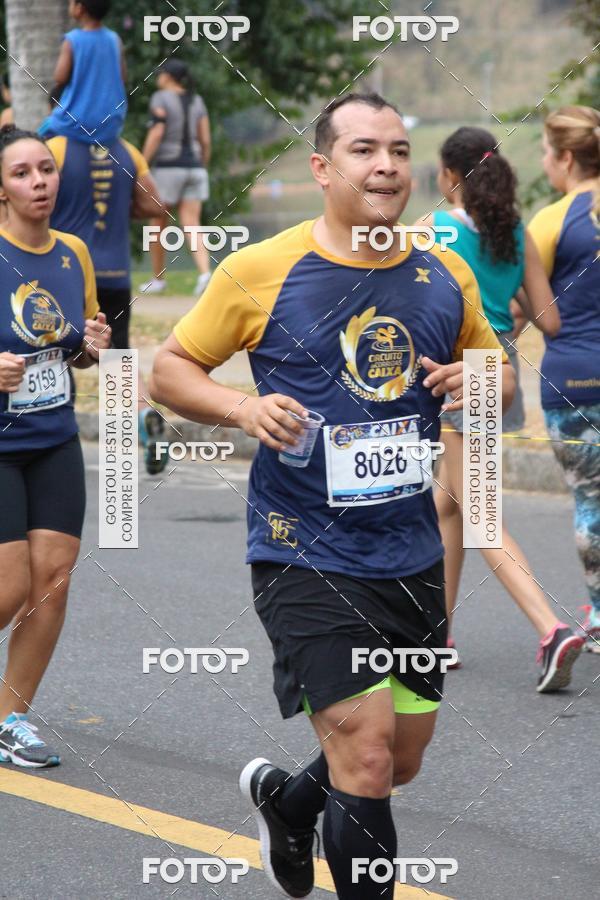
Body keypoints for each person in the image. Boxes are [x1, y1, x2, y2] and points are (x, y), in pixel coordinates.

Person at [150, 93, 515, 899]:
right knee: (370, 755)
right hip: (301, 550)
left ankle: (289, 801)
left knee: (400, 758)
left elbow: (499, 373)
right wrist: (242, 407)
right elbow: (168, 369)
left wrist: (478, 380)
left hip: (411, 552)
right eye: (362, 150)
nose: (384, 164)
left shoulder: (442, 271)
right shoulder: (259, 270)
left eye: (396, 149)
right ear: (323, 167)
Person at [418, 126, 584, 692]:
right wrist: (503, 306)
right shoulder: (515, 232)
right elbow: (550, 319)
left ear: (448, 177)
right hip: (498, 372)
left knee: (480, 514)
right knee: (449, 503)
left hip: (455, 375)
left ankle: (550, 629)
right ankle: (435, 637)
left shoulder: (433, 228)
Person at [0, 125, 111, 766]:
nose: (39, 182)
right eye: (22, 173)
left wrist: (91, 347)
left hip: (53, 437)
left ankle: (11, 717)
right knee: (9, 583)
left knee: (54, 579)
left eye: (46, 169)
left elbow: (77, 347)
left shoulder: (72, 252)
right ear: (3, 187)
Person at [46, 133, 169, 474]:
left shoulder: (56, 147)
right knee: (114, 353)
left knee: (43, 348)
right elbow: (155, 205)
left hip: (65, 267)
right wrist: (117, 207)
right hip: (114, 271)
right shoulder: (127, 149)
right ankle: (144, 413)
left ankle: (40, 448)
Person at [528, 105, 600, 655]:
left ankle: (599, 614)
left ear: (567, 157)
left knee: (590, 499)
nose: (544, 162)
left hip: (573, 380)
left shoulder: (550, 222)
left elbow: (541, 313)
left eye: (547, 153)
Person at [141, 59, 211, 297]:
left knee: (157, 223)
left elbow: (157, 131)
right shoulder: (197, 100)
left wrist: (141, 163)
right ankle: (204, 274)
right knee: (192, 222)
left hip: (168, 168)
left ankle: (158, 279)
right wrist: (202, 164)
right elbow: (205, 140)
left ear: (168, 76)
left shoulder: (160, 98)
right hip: (195, 167)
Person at [40, 0, 127, 146]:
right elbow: (123, 77)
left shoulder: (73, 39)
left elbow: (60, 77)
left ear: (80, 8)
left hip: (76, 122)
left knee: (40, 133)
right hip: (111, 123)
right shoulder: (114, 39)